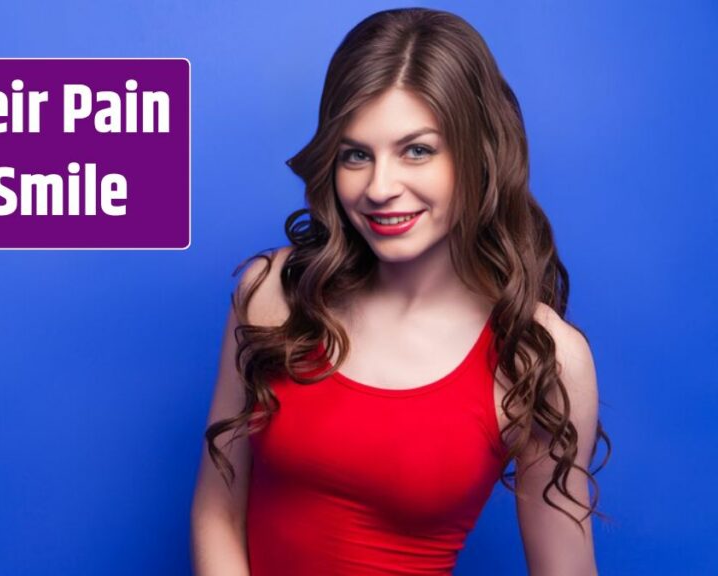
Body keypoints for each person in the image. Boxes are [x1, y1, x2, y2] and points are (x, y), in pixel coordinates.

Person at [190, 7, 611, 576]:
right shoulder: (273, 295)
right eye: (356, 154)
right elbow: (217, 511)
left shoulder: (541, 358)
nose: (380, 188)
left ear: (478, 154)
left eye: (417, 150)